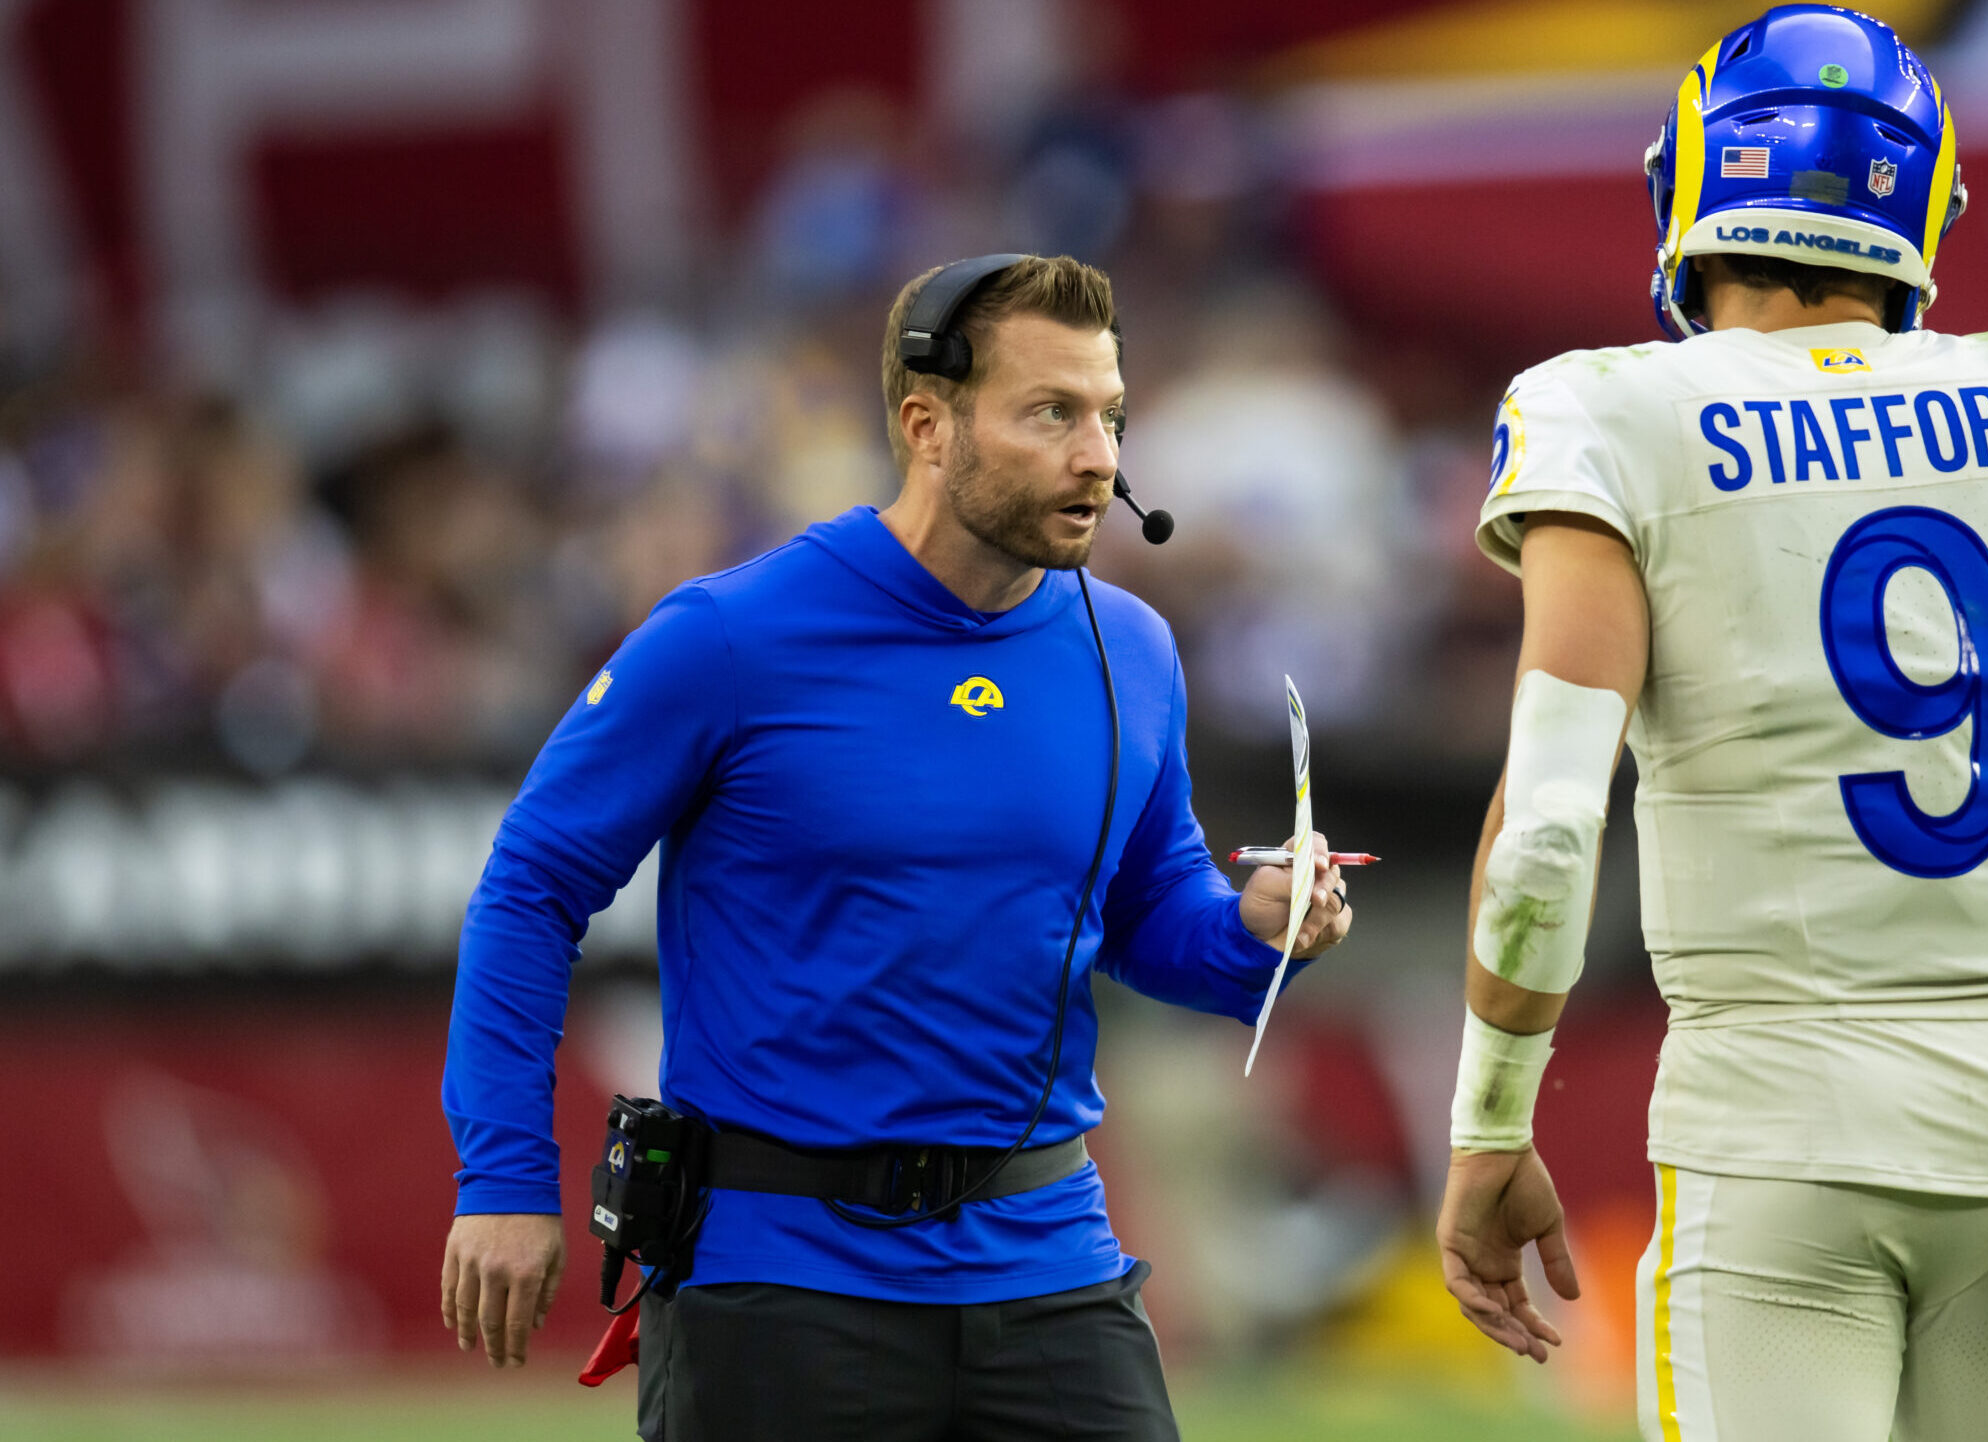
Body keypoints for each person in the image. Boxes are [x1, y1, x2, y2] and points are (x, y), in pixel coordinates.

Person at [1431, 8, 1988, 1439]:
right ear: (1920, 205)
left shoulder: (1605, 409)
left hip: (1779, 1106)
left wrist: (1489, 1123)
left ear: (1693, 185)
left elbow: (1546, 825)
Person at [438, 253, 1353, 1442]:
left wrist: (1255, 928)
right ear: (928, 423)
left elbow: (1146, 906)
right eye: (1053, 413)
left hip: (1048, 1269)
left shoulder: (1131, 647)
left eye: (1111, 415)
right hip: (778, 1287)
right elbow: (529, 888)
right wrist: (504, 1177)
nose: (1101, 456)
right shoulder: (728, 637)